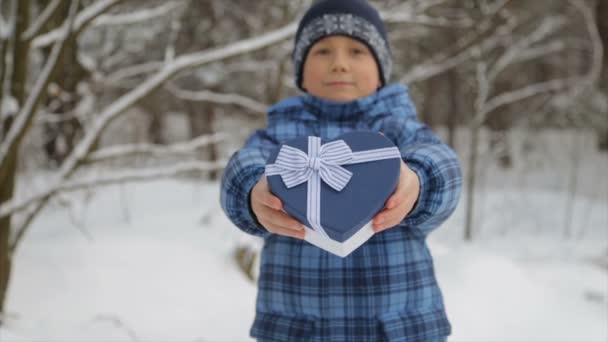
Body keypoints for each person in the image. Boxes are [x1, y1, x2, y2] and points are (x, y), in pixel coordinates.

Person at [220, 0, 462, 340]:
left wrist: (418, 182)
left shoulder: (396, 129)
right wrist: (253, 191)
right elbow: (243, 167)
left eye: (356, 51)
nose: (339, 64)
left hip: (396, 328)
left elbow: (442, 162)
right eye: (322, 52)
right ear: (300, 70)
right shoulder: (280, 135)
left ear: (381, 69)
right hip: (300, 329)